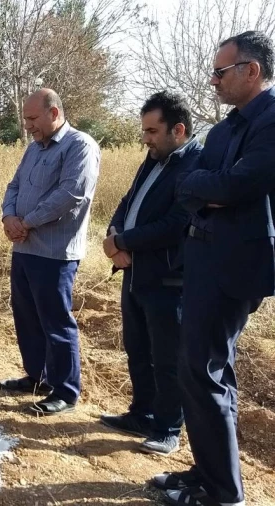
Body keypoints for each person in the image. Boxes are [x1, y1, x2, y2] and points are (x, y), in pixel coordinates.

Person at [153, 31, 275, 506]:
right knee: (199, 369)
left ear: (252, 71)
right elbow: (191, 185)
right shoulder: (224, 130)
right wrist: (212, 188)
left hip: (236, 265)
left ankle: (223, 494)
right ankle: (208, 472)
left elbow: (244, 182)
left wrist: (213, 187)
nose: (213, 80)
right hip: (203, 256)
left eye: (221, 72)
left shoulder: (270, 122)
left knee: (204, 370)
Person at [99, 91, 201, 456]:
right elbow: (128, 201)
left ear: (178, 129)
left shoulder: (194, 164)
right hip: (135, 274)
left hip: (168, 279)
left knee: (167, 357)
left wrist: (124, 240)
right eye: (145, 130)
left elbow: (177, 223)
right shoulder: (154, 158)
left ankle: (168, 428)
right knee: (138, 349)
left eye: (152, 131)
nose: (146, 138)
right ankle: (140, 414)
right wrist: (113, 236)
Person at [0, 88, 100, 416]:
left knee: (55, 320)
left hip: (54, 253)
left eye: (32, 118)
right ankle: (37, 376)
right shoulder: (33, 149)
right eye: (26, 119)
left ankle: (65, 390)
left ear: (54, 113)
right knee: (26, 314)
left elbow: (70, 194)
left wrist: (26, 221)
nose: (27, 125)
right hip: (25, 247)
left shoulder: (80, 146)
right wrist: (8, 216)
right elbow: (13, 186)